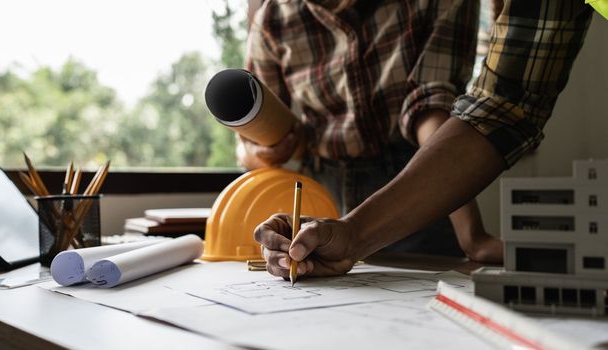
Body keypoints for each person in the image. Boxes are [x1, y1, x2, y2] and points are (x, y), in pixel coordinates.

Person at [254, 0, 594, 279]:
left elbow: (457, 107)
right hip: (327, 184)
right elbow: (499, 106)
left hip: (413, 173)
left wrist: (469, 233)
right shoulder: (272, 18)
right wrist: (351, 233)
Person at [241, 0, 503, 267]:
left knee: (418, 297)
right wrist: (261, 151)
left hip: (412, 185)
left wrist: (470, 234)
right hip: (320, 190)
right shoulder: (272, 18)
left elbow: (431, 107)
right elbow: (249, 145)